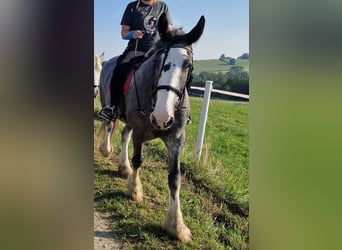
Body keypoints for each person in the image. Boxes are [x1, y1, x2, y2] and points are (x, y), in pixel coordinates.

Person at [98, 0, 172, 122]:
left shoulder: (163, 6)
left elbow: (168, 32)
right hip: (136, 50)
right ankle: (112, 107)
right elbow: (124, 34)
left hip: (157, 51)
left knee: (177, 71)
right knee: (119, 69)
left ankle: (182, 111)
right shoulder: (132, 7)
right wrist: (132, 34)